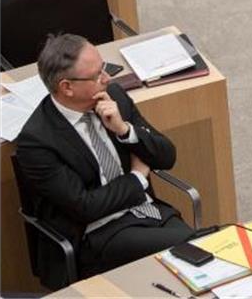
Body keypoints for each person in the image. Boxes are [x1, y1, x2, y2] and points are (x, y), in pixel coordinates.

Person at [15, 33, 194, 289]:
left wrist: (125, 130)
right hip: (97, 234)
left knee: (201, 252)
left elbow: (167, 156)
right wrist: (138, 177)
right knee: (193, 248)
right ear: (67, 87)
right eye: (97, 75)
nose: (107, 78)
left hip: (148, 213)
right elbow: (86, 207)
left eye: (104, 69)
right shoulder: (37, 142)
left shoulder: (114, 96)